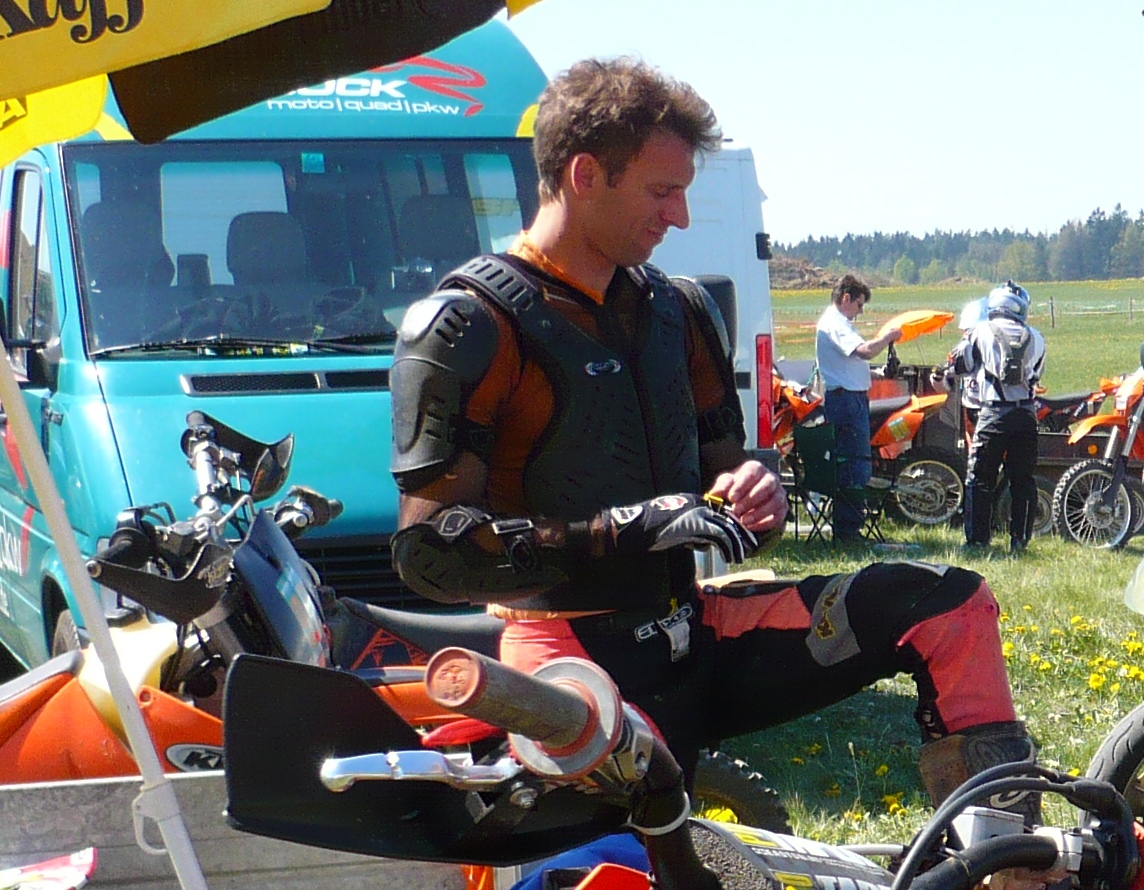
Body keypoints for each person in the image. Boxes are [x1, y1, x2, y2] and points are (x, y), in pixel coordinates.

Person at [387, 58, 1034, 803]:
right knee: (635, 842)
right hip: (560, 651)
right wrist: (625, 529)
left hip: (693, 628)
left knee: (950, 605)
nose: (681, 217)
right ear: (584, 175)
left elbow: (726, 479)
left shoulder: (682, 311)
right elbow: (429, 553)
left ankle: (1005, 852)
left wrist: (755, 495)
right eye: (662, 192)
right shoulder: (472, 323)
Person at [947, 283, 1044, 554]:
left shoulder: (980, 331)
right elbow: (1037, 374)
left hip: (994, 413)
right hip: (1026, 414)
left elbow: (961, 364)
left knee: (980, 477)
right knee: (1023, 480)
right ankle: (1019, 540)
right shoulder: (1036, 337)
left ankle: (978, 539)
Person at [813, 276, 905, 543]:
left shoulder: (837, 324)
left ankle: (849, 526)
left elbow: (849, 365)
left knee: (853, 462)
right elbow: (864, 351)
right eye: (859, 304)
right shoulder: (836, 324)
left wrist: (879, 373)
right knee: (855, 465)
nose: (860, 311)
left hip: (848, 398)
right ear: (846, 298)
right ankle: (848, 530)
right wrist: (887, 337)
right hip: (847, 402)